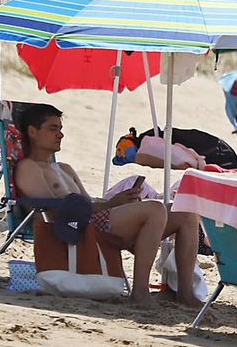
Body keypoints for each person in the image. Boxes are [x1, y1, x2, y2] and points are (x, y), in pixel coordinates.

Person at [12, 103, 202, 304]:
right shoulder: (29, 168)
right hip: (73, 230)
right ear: (32, 131)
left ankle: (185, 293)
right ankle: (140, 292)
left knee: (184, 212)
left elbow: (86, 201)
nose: (60, 135)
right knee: (154, 209)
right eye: (52, 129)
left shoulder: (64, 168)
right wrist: (110, 204)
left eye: (60, 129)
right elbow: (53, 211)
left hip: (92, 220)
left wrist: (121, 203)